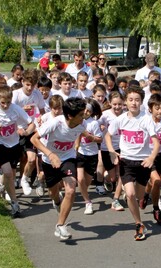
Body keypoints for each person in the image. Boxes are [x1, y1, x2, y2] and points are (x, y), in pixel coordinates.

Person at [31, 97, 91, 240]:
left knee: (70, 189)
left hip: (68, 159)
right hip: (49, 160)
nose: (84, 118)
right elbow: (34, 139)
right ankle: (57, 201)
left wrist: (76, 145)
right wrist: (51, 154)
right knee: (53, 192)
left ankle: (60, 225)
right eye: (81, 115)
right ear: (70, 116)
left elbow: (79, 133)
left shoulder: (82, 124)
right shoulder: (55, 123)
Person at [105, 85, 160, 241]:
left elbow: (156, 142)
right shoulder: (120, 119)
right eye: (130, 100)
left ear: (141, 102)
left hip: (143, 162)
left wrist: (151, 158)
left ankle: (140, 197)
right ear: (125, 102)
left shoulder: (146, 119)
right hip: (126, 162)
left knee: (139, 196)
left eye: (137, 100)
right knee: (130, 193)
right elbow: (107, 136)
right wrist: (111, 151)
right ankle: (138, 223)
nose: (134, 103)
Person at [0, 85, 35, 216]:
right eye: (2, 103)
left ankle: (0, 183)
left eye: (8, 102)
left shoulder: (16, 109)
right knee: (8, 173)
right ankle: (15, 205)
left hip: (14, 144)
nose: (5, 106)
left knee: (9, 174)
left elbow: (31, 123)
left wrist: (26, 132)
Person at [141, 94, 161, 224]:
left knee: (156, 182)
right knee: (157, 180)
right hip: (149, 156)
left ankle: (146, 194)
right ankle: (156, 210)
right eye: (157, 108)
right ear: (150, 109)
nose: (160, 111)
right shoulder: (145, 121)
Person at [12, 69, 46, 196]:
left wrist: (40, 118)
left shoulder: (37, 94)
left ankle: (25, 180)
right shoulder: (16, 94)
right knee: (13, 162)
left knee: (31, 159)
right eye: (27, 84)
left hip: (31, 130)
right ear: (22, 82)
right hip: (15, 130)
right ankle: (6, 187)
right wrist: (21, 109)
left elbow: (42, 111)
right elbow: (8, 113)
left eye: (32, 84)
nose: (30, 87)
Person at [96, 91, 125, 210]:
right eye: (114, 104)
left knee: (120, 174)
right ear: (110, 103)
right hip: (107, 148)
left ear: (123, 103)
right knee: (112, 177)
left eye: (119, 104)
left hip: (122, 147)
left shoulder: (126, 114)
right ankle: (106, 179)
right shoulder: (105, 115)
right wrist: (101, 127)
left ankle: (117, 198)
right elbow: (94, 124)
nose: (117, 107)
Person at [76, 98, 103, 215]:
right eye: (84, 110)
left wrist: (89, 136)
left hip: (92, 155)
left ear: (91, 113)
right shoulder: (77, 120)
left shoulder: (94, 123)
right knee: (80, 179)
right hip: (80, 153)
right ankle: (88, 202)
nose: (86, 113)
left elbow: (99, 139)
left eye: (88, 111)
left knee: (85, 183)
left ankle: (84, 195)